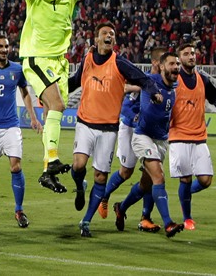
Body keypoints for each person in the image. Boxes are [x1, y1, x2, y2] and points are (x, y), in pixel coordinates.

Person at [19, 0, 95, 193]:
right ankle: (52, 160)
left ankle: (46, 172)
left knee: (54, 112)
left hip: (59, 64)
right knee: (59, 105)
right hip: (37, 58)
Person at [67, 23, 163, 237]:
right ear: (97, 39)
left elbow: (143, 79)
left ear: (114, 41)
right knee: (78, 164)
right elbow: (74, 82)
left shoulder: (120, 63)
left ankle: (86, 222)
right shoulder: (88, 60)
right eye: (104, 33)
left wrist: (154, 91)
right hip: (85, 123)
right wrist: (52, 94)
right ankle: (80, 186)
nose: (108, 36)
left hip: (109, 129)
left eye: (112, 34)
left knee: (101, 177)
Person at [112, 52, 185, 238]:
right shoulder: (150, 81)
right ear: (161, 67)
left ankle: (121, 207)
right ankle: (168, 223)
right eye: (171, 64)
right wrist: (128, 88)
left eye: (177, 64)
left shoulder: (175, 85)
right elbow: (132, 81)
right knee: (159, 177)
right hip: (142, 136)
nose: (176, 67)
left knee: (145, 184)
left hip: (161, 139)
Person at [0, 35, 42, 228]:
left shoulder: (17, 69)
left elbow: (25, 93)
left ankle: (19, 210)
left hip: (11, 125)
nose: (4, 50)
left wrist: (33, 117)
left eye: (6, 46)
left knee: (16, 166)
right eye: (0, 46)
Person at [168, 43, 216, 230]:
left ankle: (185, 196)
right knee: (186, 178)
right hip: (179, 135)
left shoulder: (202, 80)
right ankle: (188, 218)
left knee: (206, 180)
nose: (191, 56)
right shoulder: (174, 80)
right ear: (179, 58)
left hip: (199, 136)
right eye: (186, 54)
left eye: (192, 53)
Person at [97, 47, 166, 233]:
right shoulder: (141, 79)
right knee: (126, 171)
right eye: (163, 62)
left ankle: (145, 217)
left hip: (151, 132)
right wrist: (135, 117)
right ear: (155, 63)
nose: (167, 66)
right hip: (130, 128)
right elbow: (126, 106)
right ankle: (103, 197)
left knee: (151, 174)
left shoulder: (165, 84)